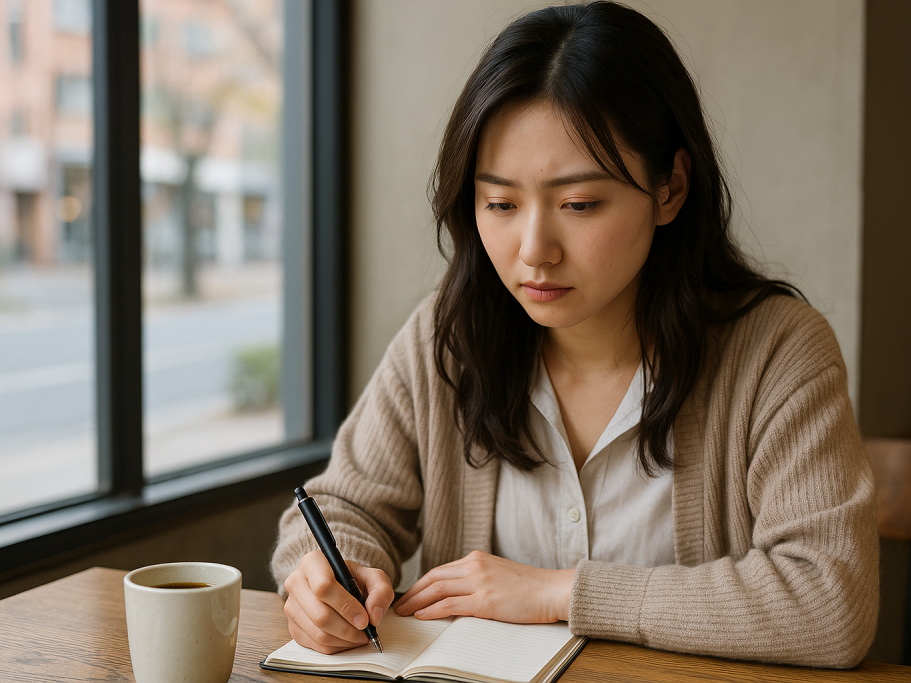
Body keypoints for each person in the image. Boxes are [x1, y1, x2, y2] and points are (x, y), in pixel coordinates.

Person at [272, 1, 877, 669]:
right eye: (500, 203)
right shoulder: (450, 338)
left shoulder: (777, 353)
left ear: (671, 187)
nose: (534, 250)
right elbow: (337, 508)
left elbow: (830, 602)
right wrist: (325, 576)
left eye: (579, 204)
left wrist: (561, 592)